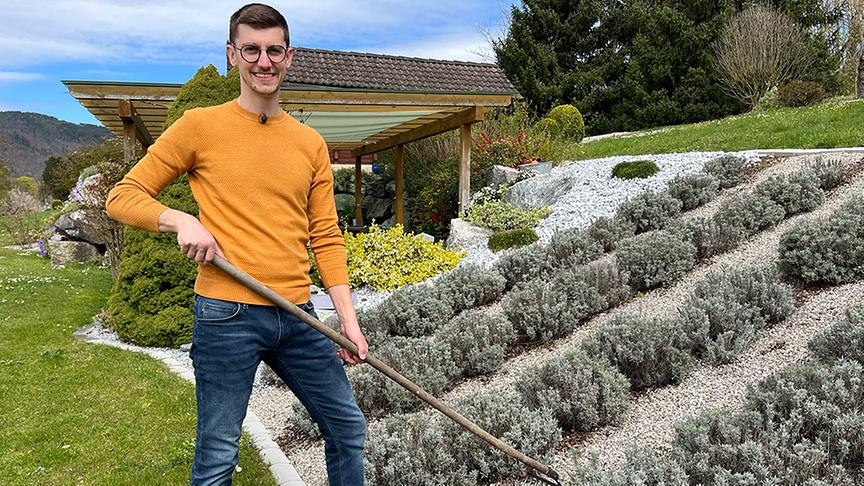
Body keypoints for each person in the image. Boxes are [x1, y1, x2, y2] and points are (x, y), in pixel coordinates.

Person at [105, 3, 368, 485]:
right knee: (218, 454)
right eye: (251, 49)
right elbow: (122, 196)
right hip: (226, 314)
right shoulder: (199, 125)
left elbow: (326, 237)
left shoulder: (310, 143)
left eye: (274, 50)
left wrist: (348, 322)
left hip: (297, 312)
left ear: (290, 56)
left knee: (348, 428)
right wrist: (179, 219)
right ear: (232, 54)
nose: (263, 61)